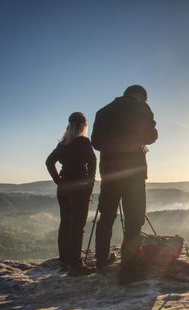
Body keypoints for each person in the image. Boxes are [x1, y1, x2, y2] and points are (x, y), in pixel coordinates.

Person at [91, 84, 158, 284]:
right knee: (134, 221)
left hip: (110, 173)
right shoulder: (142, 109)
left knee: (106, 216)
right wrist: (134, 141)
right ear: (141, 97)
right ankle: (129, 270)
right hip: (134, 173)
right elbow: (151, 136)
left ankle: (101, 261)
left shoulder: (103, 111)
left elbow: (95, 142)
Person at [46, 112, 97, 276]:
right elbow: (92, 166)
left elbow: (49, 162)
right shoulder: (84, 142)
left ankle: (64, 260)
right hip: (80, 188)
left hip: (64, 188)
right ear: (83, 126)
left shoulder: (63, 145)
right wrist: (89, 186)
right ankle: (76, 264)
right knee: (78, 225)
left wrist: (58, 181)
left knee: (66, 223)